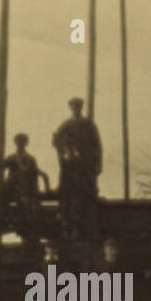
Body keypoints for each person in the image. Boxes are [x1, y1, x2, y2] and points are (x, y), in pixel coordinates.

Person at [52, 96, 102, 239]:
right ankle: (68, 228)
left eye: (78, 106)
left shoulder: (89, 125)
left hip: (86, 168)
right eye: (73, 106)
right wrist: (65, 149)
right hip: (69, 168)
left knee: (87, 196)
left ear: (81, 107)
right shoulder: (66, 124)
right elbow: (55, 140)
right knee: (67, 196)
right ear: (70, 108)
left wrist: (98, 164)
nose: (76, 109)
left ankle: (87, 229)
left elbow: (97, 145)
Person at [0, 132, 48, 232]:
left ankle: (27, 226)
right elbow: (1, 164)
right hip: (15, 189)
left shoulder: (29, 159)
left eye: (22, 142)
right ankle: (14, 221)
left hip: (25, 190)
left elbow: (37, 174)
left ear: (25, 143)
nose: (20, 144)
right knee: (18, 203)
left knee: (27, 206)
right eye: (19, 142)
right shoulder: (13, 157)